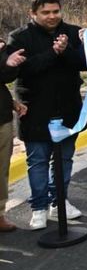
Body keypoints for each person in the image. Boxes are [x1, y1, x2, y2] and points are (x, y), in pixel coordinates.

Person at [7, 0, 84, 230]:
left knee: (64, 158)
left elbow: (83, 63)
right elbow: (24, 70)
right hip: (35, 110)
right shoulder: (19, 37)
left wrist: (68, 49)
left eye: (56, 11)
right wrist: (53, 53)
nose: (52, 16)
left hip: (68, 108)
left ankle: (59, 202)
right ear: (33, 13)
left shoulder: (73, 32)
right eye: (45, 12)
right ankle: (38, 207)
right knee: (38, 160)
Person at [0, 40, 26, 232]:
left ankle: (0, 214)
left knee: (1, 170)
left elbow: (3, 79)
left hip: (2, 119)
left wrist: (11, 103)